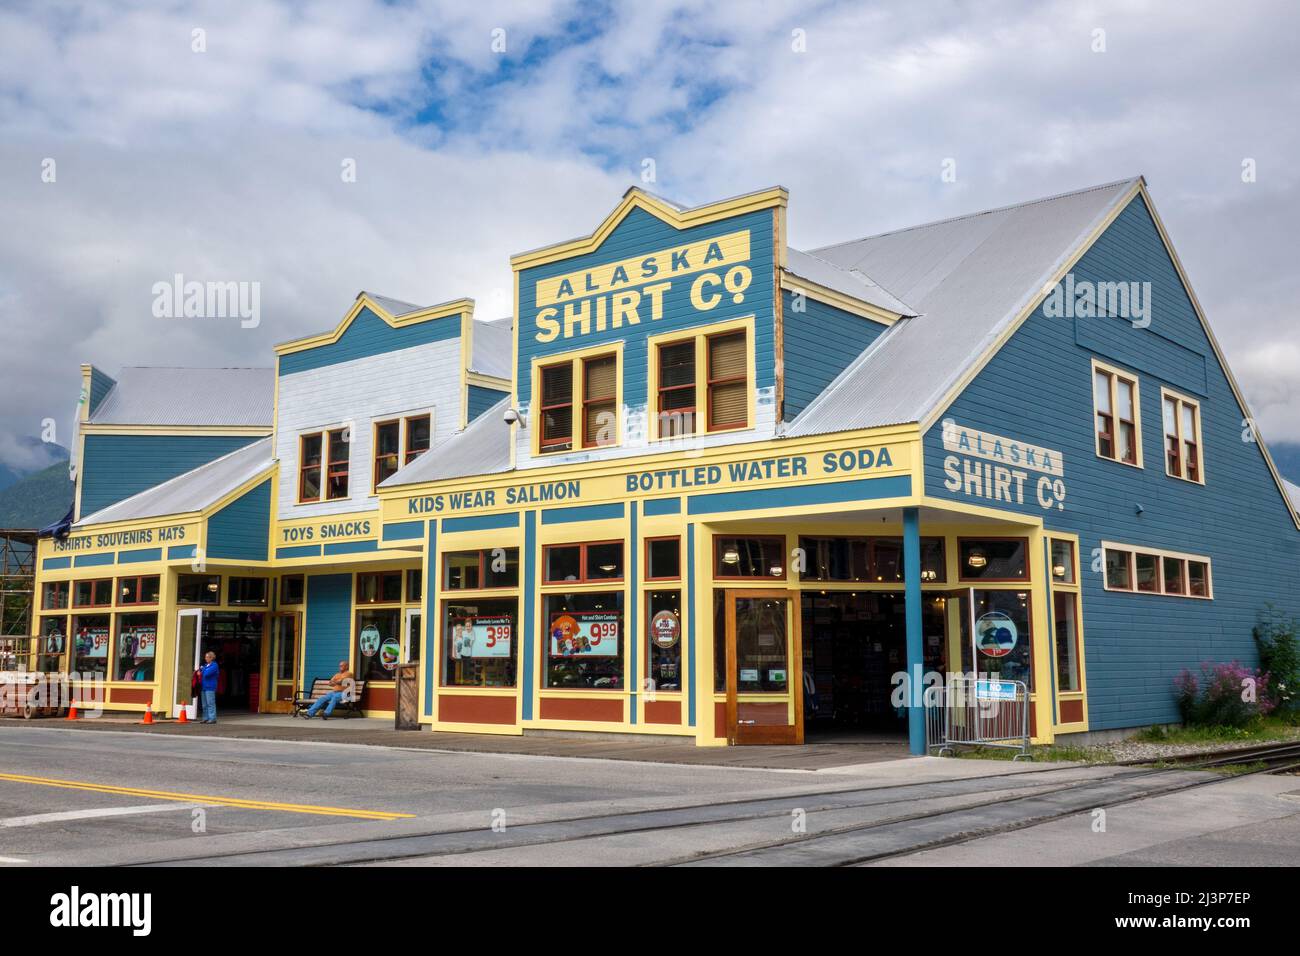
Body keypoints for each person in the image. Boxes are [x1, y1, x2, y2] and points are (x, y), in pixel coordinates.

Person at [199, 651, 219, 723]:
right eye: (205, 657)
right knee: (204, 704)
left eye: (207, 657)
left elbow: (206, 674)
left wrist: (201, 671)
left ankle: (212, 718)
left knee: (210, 703)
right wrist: (202, 671)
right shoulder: (205, 666)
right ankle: (205, 718)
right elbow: (200, 672)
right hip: (203, 687)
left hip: (210, 687)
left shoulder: (214, 665)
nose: (205, 658)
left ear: (211, 658)